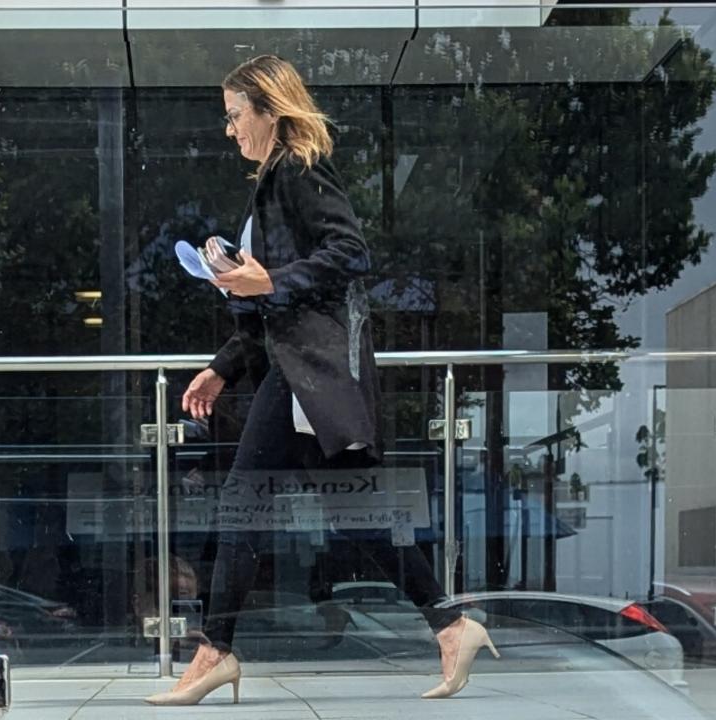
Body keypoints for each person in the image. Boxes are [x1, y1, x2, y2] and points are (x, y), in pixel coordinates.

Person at [144, 56, 497, 707]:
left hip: (312, 375)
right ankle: (451, 625)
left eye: (234, 115)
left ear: (268, 111)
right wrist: (222, 366)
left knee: (243, 501)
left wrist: (271, 279)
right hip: (297, 372)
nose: (229, 130)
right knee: (354, 514)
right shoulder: (271, 185)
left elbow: (350, 252)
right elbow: (269, 310)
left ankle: (215, 650)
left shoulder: (298, 170)